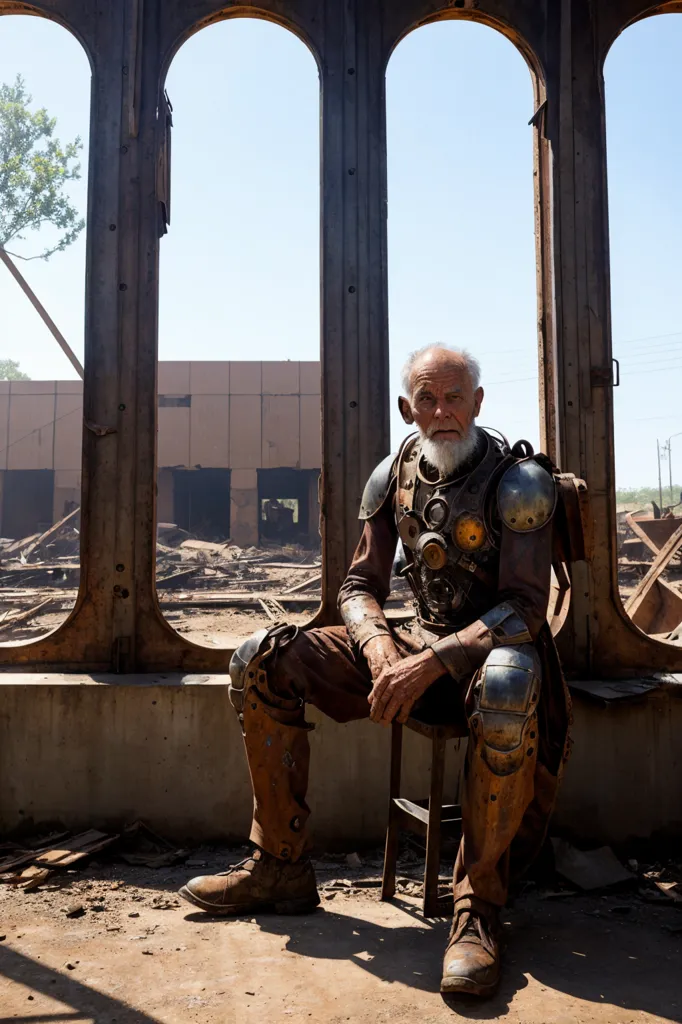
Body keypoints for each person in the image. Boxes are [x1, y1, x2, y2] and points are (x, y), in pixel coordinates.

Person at [179, 345, 571, 997]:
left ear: (478, 402)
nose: (442, 412)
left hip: (491, 660)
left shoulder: (519, 481)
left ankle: (478, 911)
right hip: (409, 650)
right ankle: (279, 864)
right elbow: (359, 584)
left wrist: (433, 663)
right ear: (405, 408)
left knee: (507, 682)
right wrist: (380, 650)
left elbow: (527, 610)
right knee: (260, 659)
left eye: (454, 398)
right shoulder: (394, 476)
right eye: (427, 399)